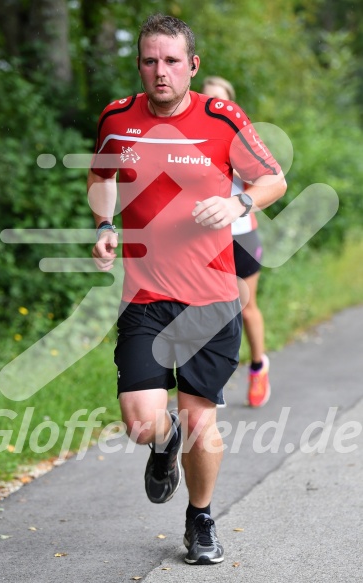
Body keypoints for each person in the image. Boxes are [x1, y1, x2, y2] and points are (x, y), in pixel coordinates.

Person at [88, 14, 286, 565]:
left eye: (172, 61)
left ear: (192, 66)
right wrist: (104, 228)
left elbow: (274, 179)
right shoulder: (117, 118)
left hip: (210, 298)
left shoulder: (221, 118)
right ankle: (162, 440)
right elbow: (101, 179)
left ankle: (200, 518)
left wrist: (238, 201)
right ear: (139, 65)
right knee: (140, 421)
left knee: (202, 420)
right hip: (144, 298)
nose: (161, 72)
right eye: (150, 60)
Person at [202, 76, 271, 408]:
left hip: (241, 233)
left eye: (222, 100)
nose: (216, 105)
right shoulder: (191, 137)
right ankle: (212, 380)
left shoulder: (241, 137)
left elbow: (263, 180)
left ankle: (258, 367)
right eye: (209, 98)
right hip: (204, 239)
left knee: (245, 308)